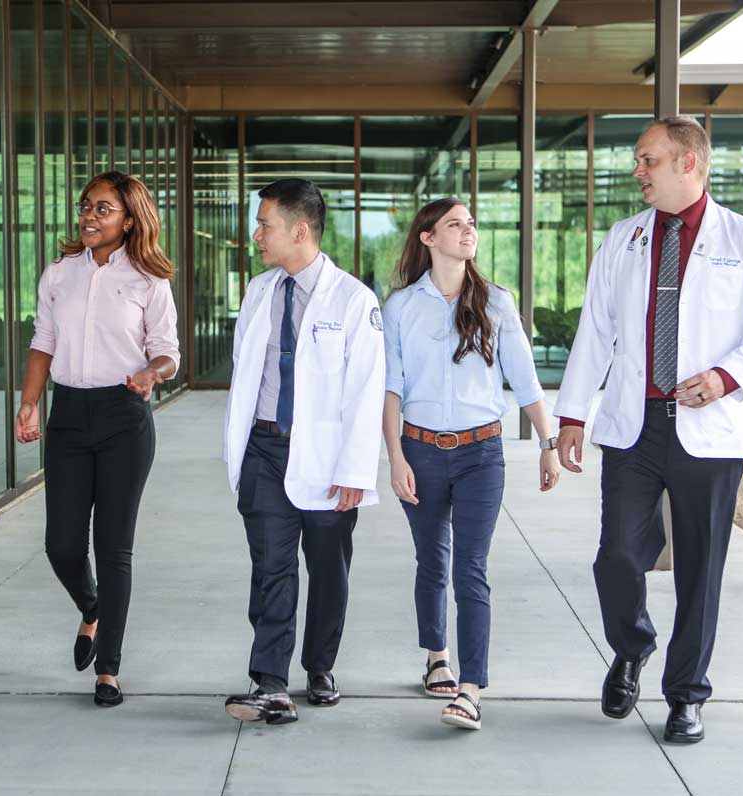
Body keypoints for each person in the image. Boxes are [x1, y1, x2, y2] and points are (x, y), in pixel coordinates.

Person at [555, 116, 743, 744]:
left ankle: (686, 695)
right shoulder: (624, 238)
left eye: (648, 160)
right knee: (616, 558)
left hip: (707, 431)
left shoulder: (742, 239)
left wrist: (726, 377)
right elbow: (596, 330)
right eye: (639, 161)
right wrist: (574, 414)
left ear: (688, 164)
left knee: (700, 569)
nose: (638, 171)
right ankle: (632, 646)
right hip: (635, 429)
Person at [381, 197, 560, 731]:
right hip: (419, 450)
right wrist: (394, 458)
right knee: (432, 561)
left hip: (482, 453)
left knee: (471, 568)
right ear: (428, 238)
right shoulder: (400, 307)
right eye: (455, 224)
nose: (468, 231)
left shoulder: (497, 303)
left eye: (472, 224)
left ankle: (470, 688)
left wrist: (548, 445)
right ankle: (436, 654)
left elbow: (526, 382)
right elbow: (391, 388)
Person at [222, 178, 385, 725]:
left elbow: (366, 392)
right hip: (265, 448)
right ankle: (269, 680)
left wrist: (357, 471)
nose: (256, 235)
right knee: (271, 567)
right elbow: (247, 377)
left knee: (328, 569)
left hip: (327, 456)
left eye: (264, 224)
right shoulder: (259, 291)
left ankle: (319, 665)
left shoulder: (354, 300)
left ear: (299, 229)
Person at [16, 171, 179, 708]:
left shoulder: (149, 281)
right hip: (68, 414)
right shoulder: (60, 273)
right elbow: (44, 340)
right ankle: (93, 609)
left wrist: (151, 373)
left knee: (113, 548)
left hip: (123, 417)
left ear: (130, 219)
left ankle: (108, 669)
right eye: (87, 206)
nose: (90, 216)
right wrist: (30, 402)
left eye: (104, 209)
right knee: (60, 544)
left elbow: (168, 351)